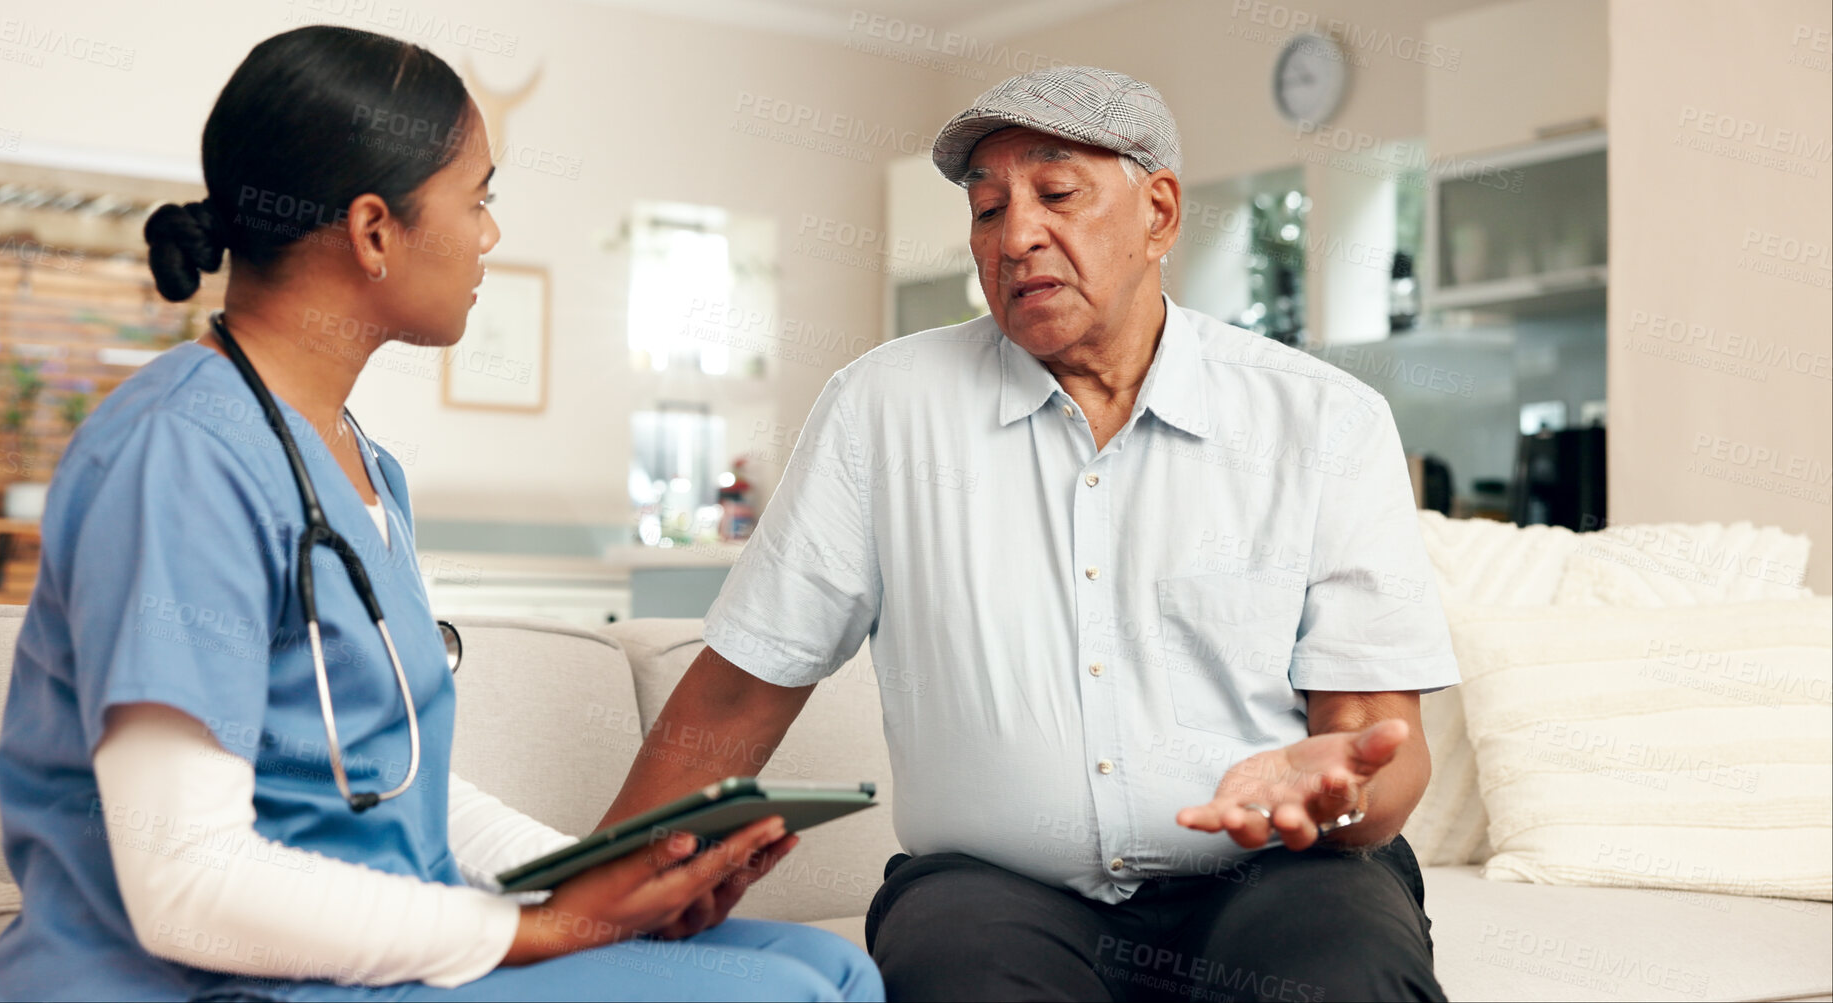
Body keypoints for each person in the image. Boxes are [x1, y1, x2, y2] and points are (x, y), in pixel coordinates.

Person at [0, 25, 882, 1003]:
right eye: (479, 198)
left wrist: (604, 882)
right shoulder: (180, 456)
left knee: (827, 962)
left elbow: (397, 786)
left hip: (355, 954)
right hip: (199, 982)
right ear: (375, 230)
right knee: (780, 995)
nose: (490, 233)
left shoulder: (362, 466)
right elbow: (185, 887)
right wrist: (531, 928)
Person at [598, 66, 1458, 1001]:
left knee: (1348, 973)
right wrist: (587, 901)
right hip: (990, 892)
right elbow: (737, 694)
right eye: (985, 209)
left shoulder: (1324, 420)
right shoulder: (882, 409)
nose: (1015, 236)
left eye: (1056, 194)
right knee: (957, 971)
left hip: (1281, 878)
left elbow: (1377, 736)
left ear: (1158, 213)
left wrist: (1340, 794)